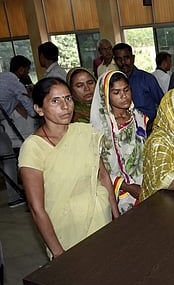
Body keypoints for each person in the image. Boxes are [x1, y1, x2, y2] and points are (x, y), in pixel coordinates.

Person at [18, 77, 119, 259]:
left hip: (101, 222)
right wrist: (58, 253)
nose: (65, 106)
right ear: (39, 109)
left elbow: (103, 176)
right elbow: (36, 207)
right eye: (55, 101)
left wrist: (116, 216)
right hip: (66, 231)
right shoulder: (33, 148)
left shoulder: (85, 132)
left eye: (68, 98)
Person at [90, 70, 147, 214]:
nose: (124, 96)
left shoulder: (138, 118)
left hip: (145, 184)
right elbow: (99, 168)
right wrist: (128, 187)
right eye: (116, 92)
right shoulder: (100, 129)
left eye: (126, 90)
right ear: (106, 96)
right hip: (119, 191)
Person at [113, 43, 164, 125]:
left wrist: (154, 124)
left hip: (149, 129)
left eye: (126, 58)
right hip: (123, 129)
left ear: (133, 58)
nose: (123, 62)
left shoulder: (147, 79)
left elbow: (163, 103)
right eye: (119, 59)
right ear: (115, 61)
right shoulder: (113, 83)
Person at [0, 55, 36, 148]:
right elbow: (29, 108)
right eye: (27, 70)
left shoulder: (2, 77)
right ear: (21, 70)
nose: (28, 73)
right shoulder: (16, 84)